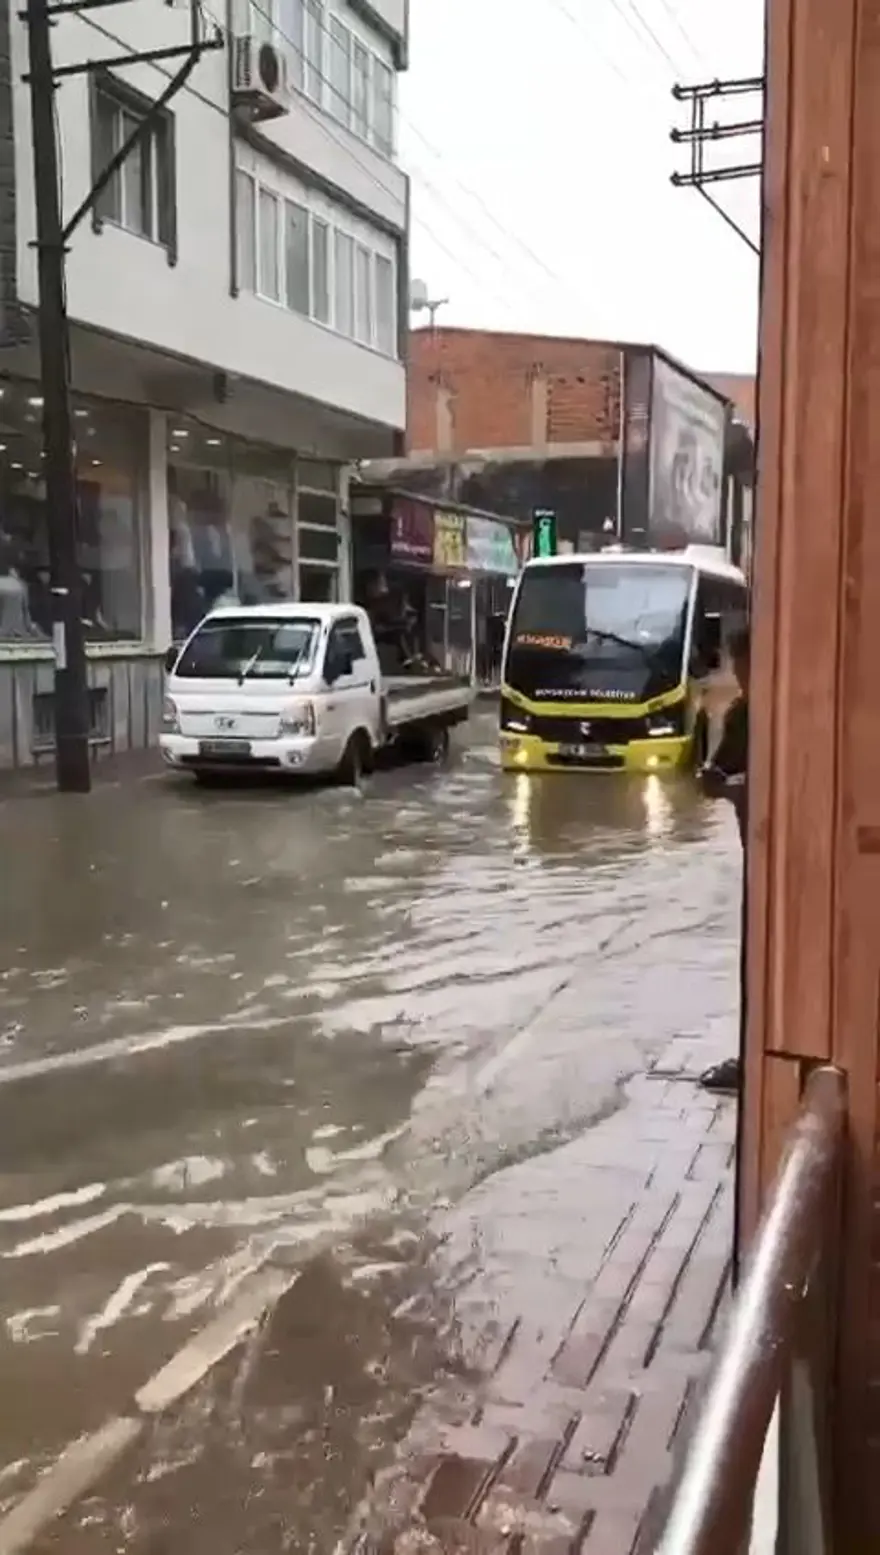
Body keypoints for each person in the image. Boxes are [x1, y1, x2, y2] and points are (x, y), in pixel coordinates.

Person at [699, 624, 749, 1094]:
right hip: (757, 852)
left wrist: (731, 787)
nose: (743, 672)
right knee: (755, 956)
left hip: (784, 856)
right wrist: (711, 777)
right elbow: (720, 771)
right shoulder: (742, 714)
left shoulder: (788, 707)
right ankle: (753, 1052)